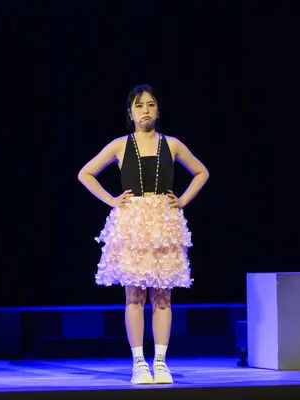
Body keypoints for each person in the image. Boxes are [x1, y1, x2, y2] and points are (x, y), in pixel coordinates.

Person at [78, 84, 209, 384]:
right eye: (139, 106)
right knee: (135, 295)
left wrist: (183, 200)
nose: (145, 110)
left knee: (162, 296)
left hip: (163, 222)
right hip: (134, 223)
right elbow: (86, 173)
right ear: (130, 113)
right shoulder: (120, 146)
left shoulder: (172, 145)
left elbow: (202, 172)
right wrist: (112, 200)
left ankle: (160, 362)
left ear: (158, 110)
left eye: (150, 104)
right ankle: (139, 363)